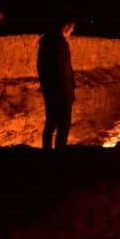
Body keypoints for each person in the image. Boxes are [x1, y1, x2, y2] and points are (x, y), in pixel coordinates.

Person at [37, 14, 76, 149]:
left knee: (51, 124)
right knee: (63, 125)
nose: (72, 32)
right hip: (61, 93)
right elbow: (62, 72)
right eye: (71, 28)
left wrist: (48, 90)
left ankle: (47, 152)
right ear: (65, 27)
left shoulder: (46, 43)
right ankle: (59, 156)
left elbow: (43, 70)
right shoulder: (60, 44)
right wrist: (68, 93)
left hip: (50, 92)